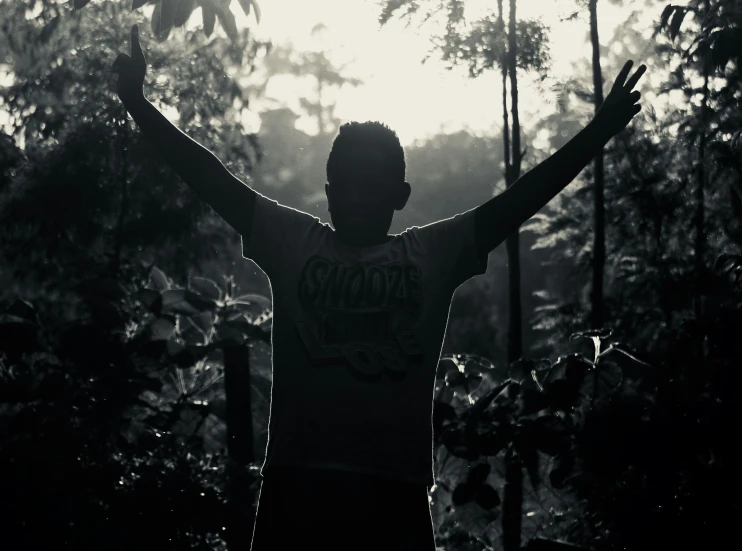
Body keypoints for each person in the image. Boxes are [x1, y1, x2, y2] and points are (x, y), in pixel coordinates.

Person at [113, 23, 646, 551]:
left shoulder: (432, 254)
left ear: (401, 194)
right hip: (298, 485)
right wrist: (138, 104)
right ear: (328, 192)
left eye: (373, 184)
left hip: (393, 491)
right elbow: (210, 177)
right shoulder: (293, 242)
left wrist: (597, 132)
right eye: (348, 182)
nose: (359, 195)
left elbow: (520, 200)